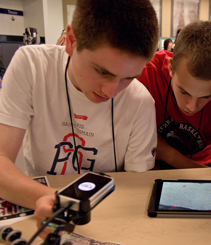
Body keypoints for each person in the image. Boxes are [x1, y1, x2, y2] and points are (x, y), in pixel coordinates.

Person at [0, 0, 159, 217]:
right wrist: (60, 202)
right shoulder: (32, 66)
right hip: (39, 205)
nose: (112, 92)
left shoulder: (141, 101)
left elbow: (136, 188)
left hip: (109, 213)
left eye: (129, 78)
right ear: (71, 41)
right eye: (102, 72)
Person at [137, 21, 211, 169]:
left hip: (206, 166)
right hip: (153, 162)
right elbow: (134, 137)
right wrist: (171, 157)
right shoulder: (146, 73)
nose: (192, 107)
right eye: (184, 92)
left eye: (206, 96)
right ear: (170, 67)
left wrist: (168, 154)